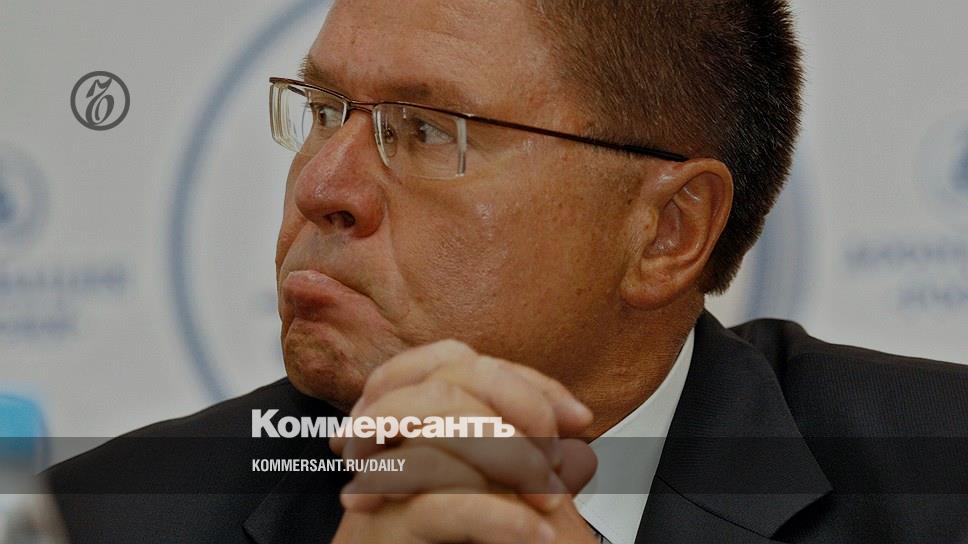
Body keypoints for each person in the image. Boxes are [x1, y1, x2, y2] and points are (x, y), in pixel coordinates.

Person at [46, 0, 968, 542]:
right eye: (324, 110)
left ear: (666, 231)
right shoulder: (100, 519)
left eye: (425, 130)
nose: (324, 186)